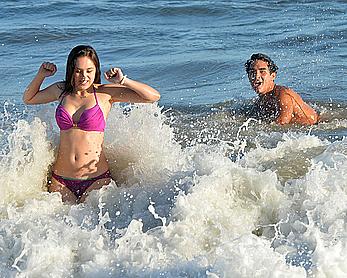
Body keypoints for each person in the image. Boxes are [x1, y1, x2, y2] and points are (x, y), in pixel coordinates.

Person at [23, 45, 160, 203]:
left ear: (96, 70)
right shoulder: (61, 90)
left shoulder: (105, 93)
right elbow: (29, 98)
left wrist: (123, 81)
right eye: (78, 71)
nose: (84, 76)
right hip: (61, 180)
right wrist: (41, 75)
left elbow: (152, 97)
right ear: (71, 71)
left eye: (89, 71)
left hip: (96, 180)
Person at [244, 53, 319, 125]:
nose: (256, 76)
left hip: (314, 127)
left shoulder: (283, 95)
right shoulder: (260, 101)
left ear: (273, 76)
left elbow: (282, 124)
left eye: (262, 71)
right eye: (252, 72)